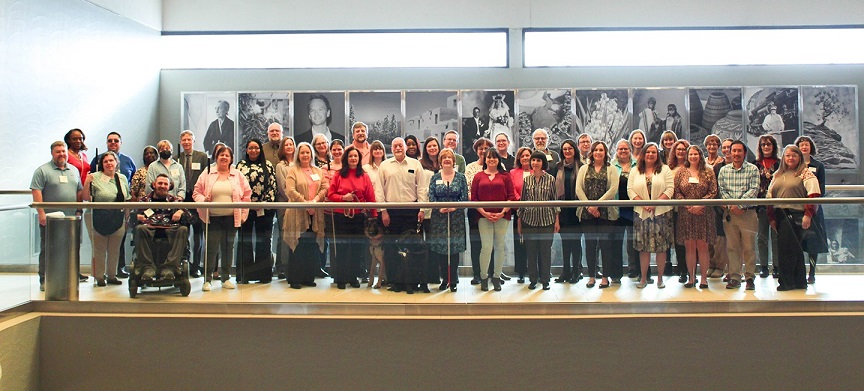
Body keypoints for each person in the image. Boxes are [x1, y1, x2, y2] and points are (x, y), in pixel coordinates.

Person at [193, 145, 252, 291]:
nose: (224, 158)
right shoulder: (207, 173)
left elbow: (246, 195)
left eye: (227, 155)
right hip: (212, 218)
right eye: (221, 155)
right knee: (211, 249)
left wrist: (244, 214)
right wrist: (203, 200)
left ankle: (226, 278)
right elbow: (196, 193)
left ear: (231, 158)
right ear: (216, 157)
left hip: (231, 218)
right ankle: (207, 280)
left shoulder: (237, 175)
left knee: (228, 248)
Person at [374, 138, 428, 294]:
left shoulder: (415, 164)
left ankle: (410, 281)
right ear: (391, 148)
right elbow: (379, 190)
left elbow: (422, 188)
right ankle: (394, 281)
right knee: (392, 248)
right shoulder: (385, 166)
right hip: (391, 212)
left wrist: (422, 209)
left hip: (411, 210)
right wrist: (383, 211)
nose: (398, 148)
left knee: (411, 249)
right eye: (395, 146)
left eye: (400, 145)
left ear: (406, 148)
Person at [31, 141, 84, 291]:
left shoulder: (73, 170)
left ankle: (67, 279)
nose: (61, 154)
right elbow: (36, 192)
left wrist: (79, 210)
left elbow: (79, 192)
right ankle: (45, 280)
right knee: (48, 250)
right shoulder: (42, 171)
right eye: (58, 151)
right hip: (50, 219)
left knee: (70, 249)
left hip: (71, 219)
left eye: (63, 151)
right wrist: (41, 213)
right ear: (52, 154)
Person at [767, 145, 820, 291]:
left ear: (800, 157)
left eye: (794, 155)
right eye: (788, 155)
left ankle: (786, 282)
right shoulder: (778, 174)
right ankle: (799, 282)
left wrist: (808, 215)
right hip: (780, 215)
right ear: (784, 158)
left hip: (796, 215)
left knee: (788, 249)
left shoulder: (805, 174)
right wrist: (771, 217)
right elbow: (770, 196)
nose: (791, 158)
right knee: (792, 249)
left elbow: (814, 194)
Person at [327, 145, 377, 289]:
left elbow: (370, 198)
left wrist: (373, 216)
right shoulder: (338, 175)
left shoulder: (364, 176)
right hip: (341, 216)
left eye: (356, 156)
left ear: (359, 159)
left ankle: (353, 276)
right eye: (350, 156)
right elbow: (330, 195)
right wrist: (344, 198)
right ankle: (341, 278)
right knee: (342, 248)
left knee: (356, 248)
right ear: (346, 159)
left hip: (358, 217)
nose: (353, 158)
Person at [627, 143, 674, 289]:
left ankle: (660, 279)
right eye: (648, 152)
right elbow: (630, 190)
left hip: (661, 213)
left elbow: (670, 189)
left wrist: (655, 203)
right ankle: (643, 279)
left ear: (657, 154)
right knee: (643, 247)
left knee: (661, 247)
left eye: (653, 152)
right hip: (642, 214)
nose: (651, 155)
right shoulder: (635, 170)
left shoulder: (665, 169)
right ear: (643, 154)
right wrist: (644, 204)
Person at [282, 142, 328, 289]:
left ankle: (308, 277)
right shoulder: (292, 171)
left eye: (307, 152)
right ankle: (295, 278)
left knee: (311, 246)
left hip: (315, 214)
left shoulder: (318, 171)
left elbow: (325, 188)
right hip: (297, 214)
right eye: (302, 152)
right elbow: (290, 190)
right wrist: (306, 203)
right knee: (298, 246)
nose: (305, 155)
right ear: (298, 155)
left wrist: (314, 201)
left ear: (311, 154)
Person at [576, 141, 620, 288]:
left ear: (605, 152)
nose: (598, 153)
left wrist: (596, 205)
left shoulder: (611, 168)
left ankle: (605, 277)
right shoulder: (584, 168)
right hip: (586, 213)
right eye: (596, 150)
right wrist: (589, 206)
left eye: (601, 150)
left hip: (606, 213)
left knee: (605, 245)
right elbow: (578, 189)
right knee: (590, 245)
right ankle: (591, 276)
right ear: (592, 152)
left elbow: (613, 189)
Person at [673, 145, 718, 289]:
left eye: (696, 154)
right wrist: (689, 206)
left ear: (700, 156)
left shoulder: (708, 172)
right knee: (689, 247)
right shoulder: (681, 172)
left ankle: (703, 279)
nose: (693, 157)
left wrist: (700, 205)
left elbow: (713, 191)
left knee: (702, 246)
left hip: (704, 213)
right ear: (687, 156)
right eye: (690, 154)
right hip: (686, 214)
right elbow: (677, 192)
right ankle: (691, 278)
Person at [83, 151, 130, 287]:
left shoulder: (122, 178)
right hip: (98, 217)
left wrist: (127, 218)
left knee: (115, 248)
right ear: (101, 164)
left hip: (117, 217)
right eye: (106, 161)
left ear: (116, 163)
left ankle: (111, 275)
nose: (109, 163)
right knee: (99, 248)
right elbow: (86, 197)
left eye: (111, 160)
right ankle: (99, 276)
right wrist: (87, 183)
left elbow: (126, 200)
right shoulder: (94, 177)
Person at [717, 140, 760, 290]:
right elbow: (722, 190)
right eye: (733, 150)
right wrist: (731, 206)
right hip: (730, 215)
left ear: (745, 153)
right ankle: (735, 276)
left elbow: (754, 190)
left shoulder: (753, 169)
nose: (735, 154)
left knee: (749, 248)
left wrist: (740, 205)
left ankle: (749, 278)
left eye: (739, 151)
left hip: (748, 213)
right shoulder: (724, 171)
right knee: (732, 247)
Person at [471, 149, 516, 292]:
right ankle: (483, 277)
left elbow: (511, 196)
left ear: (498, 160)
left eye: (494, 157)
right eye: (489, 157)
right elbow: (474, 197)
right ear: (485, 160)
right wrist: (484, 213)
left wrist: (502, 212)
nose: (491, 160)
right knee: (486, 247)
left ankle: (496, 278)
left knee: (499, 247)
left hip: (502, 216)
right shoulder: (478, 176)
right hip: (483, 217)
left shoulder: (506, 176)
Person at [235, 139, 277, 284]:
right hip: (245, 209)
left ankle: (263, 275)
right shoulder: (239, 166)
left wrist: (264, 204)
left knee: (264, 241)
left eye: (256, 148)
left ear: (261, 149)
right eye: (250, 148)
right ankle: (244, 275)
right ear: (246, 150)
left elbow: (273, 186)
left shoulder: (268, 165)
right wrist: (245, 204)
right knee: (244, 242)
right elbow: (236, 187)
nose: (254, 150)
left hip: (263, 210)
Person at [134, 174, 190, 281]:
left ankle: (170, 267)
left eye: (165, 184)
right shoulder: (144, 200)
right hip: (149, 228)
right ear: (154, 185)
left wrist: (181, 211)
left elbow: (191, 218)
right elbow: (131, 218)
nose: (162, 186)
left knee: (183, 229)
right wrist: (137, 216)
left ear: (169, 186)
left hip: (170, 229)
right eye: (160, 183)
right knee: (140, 229)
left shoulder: (174, 200)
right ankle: (148, 268)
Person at [518, 151, 559, 291]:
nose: (535, 163)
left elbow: (555, 201)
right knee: (531, 252)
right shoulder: (526, 180)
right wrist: (519, 221)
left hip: (547, 221)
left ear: (543, 163)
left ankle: (545, 280)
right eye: (533, 160)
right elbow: (522, 201)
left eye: (538, 160)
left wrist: (556, 221)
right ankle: (533, 279)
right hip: (529, 221)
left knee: (545, 252)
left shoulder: (550, 179)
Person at [428, 148, 468, 292]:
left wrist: (455, 207)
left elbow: (465, 198)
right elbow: (431, 196)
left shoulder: (460, 177)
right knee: (442, 249)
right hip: (439, 219)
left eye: (449, 157)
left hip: (456, 218)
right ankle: (444, 279)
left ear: (453, 161)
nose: (446, 160)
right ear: (440, 161)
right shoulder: (435, 177)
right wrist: (439, 208)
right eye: (444, 157)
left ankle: (454, 279)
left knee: (454, 249)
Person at [795, 136, 829, 284]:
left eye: (806, 145)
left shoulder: (818, 165)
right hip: (796, 209)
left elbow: (821, 189)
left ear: (811, 147)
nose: (804, 147)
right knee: (798, 242)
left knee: (813, 242)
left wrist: (811, 205)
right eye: (801, 145)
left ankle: (812, 273)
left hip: (813, 210)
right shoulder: (794, 165)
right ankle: (799, 272)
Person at [177, 130, 209, 278]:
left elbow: (206, 178)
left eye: (189, 140)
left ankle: (196, 266)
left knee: (198, 235)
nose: (186, 142)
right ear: (181, 142)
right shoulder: (176, 158)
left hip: (197, 200)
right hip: (183, 200)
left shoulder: (202, 157)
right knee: (183, 234)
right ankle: (184, 264)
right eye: (184, 140)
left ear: (194, 141)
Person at [465, 138, 496, 285]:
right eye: (480, 148)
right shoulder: (471, 167)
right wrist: (480, 206)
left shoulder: (497, 165)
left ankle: (492, 273)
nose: (483, 150)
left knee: (492, 243)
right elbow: (468, 189)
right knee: (476, 243)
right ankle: (477, 274)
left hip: (493, 212)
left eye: (487, 147)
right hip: (475, 212)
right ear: (476, 150)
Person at [612, 139, 642, 281]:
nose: (623, 151)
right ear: (616, 151)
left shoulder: (637, 166)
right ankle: (616, 273)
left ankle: (634, 269)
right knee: (616, 243)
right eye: (620, 149)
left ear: (630, 150)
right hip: (616, 210)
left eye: (626, 149)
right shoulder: (611, 166)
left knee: (633, 242)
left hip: (633, 209)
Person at [554, 139, 583, 283]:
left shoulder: (582, 167)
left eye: (570, 148)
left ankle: (576, 272)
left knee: (576, 242)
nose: (567, 151)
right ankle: (565, 272)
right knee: (565, 243)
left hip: (577, 211)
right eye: (564, 149)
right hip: (563, 211)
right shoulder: (558, 167)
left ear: (574, 150)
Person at [752, 135, 780, 279]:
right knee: (762, 237)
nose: (766, 147)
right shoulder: (755, 164)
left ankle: (776, 266)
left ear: (773, 146)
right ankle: (763, 266)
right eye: (763, 145)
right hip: (761, 205)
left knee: (776, 237)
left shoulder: (781, 164)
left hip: (776, 205)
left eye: (769, 144)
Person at [707, 138, 734, 280]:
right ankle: (718, 266)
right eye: (724, 147)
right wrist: (722, 204)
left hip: (737, 208)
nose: (726, 150)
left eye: (729, 147)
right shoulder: (717, 167)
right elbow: (715, 188)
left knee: (734, 241)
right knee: (719, 239)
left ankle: (733, 271)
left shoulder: (742, 165)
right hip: (720, 208)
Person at [667, 139, 690, 282]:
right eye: (678, 149)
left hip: (689, 210)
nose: (681, 152)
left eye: (684, 149)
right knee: (678, 241)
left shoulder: (692, 168)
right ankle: (682, 269)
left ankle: (690, 269)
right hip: (674, 210)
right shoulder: (669, 169)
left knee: (689, 241)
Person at [273, 136, 296, 279]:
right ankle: (282, 266)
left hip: (298, 206)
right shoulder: (280, 166)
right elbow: (282, 187)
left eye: (291, 144)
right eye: (286, 145)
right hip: (285, 205)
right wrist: (292, 201)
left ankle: (294, 264)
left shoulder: (298, 164)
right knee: (284, 236)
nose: (288, 147)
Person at [509, 147, 532, 283]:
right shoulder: (513, 172)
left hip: (535, 213)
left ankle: (535, 270)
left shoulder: (538, 172)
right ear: (519, 158)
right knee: (519, 243)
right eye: (522, 156)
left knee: (533, 243)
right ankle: (521, 272)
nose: (525, 158)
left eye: (528, 155)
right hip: (519, 211)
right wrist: (521, 202)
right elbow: (512, 190)